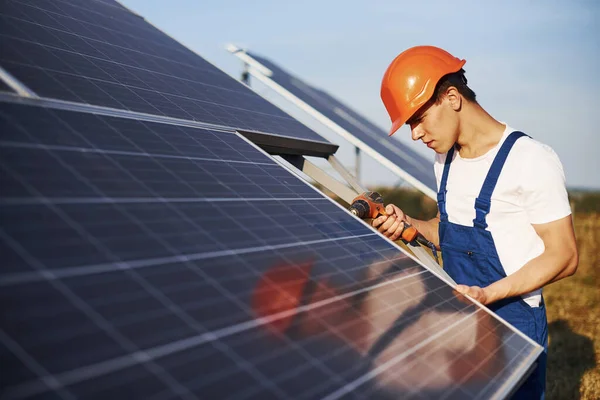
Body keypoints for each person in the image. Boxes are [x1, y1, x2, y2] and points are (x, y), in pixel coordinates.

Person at [373, 45, 579, 399]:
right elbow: (449, 230)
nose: (415, 135)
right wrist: (409, 224)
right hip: (457, 317)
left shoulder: (530, 159)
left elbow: (564, 256)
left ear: (451, 97)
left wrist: (486, 294)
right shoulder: (445, 159)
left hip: (511, 324)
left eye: (418, 119)